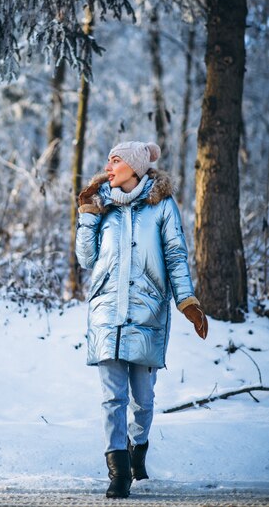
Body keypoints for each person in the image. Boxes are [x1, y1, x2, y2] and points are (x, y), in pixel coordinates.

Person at [75, 141, 208, 499]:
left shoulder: (162, 206)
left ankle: (138, 449)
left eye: (115, 160)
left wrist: (187, 302)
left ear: (134, 167)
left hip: (147, 313)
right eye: (108, 158)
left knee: (143, 401)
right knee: (111, 398)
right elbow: (86, 258)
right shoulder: (100, 204)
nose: (107, 165)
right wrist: (87, 213)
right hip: (106, 313)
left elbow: (177, 256)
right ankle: (118, 472)